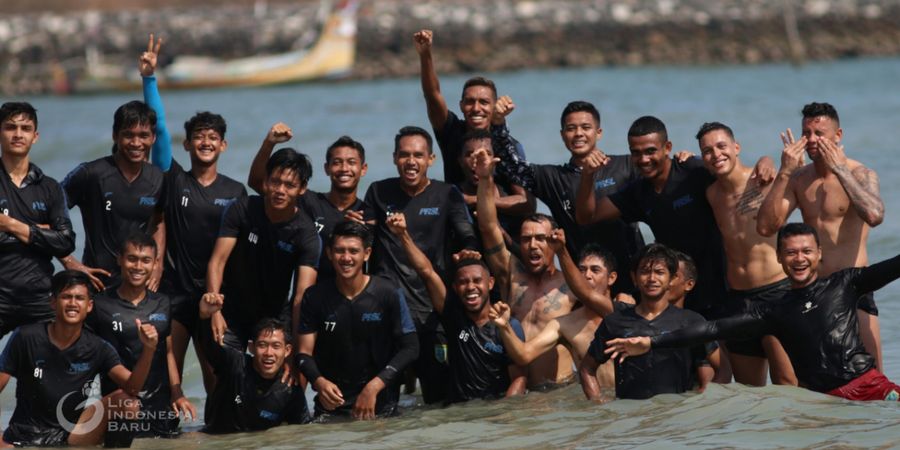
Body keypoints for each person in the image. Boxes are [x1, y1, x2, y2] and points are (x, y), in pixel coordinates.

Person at [606, 223, 900, 402]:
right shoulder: (772, 311)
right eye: (791, 252)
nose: (800, 259)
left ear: (819, 254)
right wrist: (652, 342)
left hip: (870, 386)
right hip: (823, 401)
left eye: (806, 251)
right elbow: (713, 329)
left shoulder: (845, 283)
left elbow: (894, 265)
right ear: (779, 258)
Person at [576, 115, 773, 319]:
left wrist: (765, 160)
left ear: (667, 147)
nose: (644, 159)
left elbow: (732, 170)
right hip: (679, 293)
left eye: (651, 151)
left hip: (722, 287)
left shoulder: (693, 170)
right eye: (636, 153)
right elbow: (586, 217)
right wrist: (587, 175)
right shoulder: (638, 192)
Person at [141, 35, 247, 393]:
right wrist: (150, 79)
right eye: (199, 137)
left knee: (219, 380)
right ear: (187, 144)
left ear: (223, 145)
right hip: (175, 294)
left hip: (217, 296)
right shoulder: (174, 180)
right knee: (165, 381)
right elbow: (156, 130)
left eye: (213, 137)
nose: (205, 142)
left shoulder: (236, 192)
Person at [757, 102, 884, 370]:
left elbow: (874, 215)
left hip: (854, 288)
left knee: (872, 378)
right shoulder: (800, 179)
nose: (812, 140)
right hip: (813, 291)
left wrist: (839, 169)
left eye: (819, 133)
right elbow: (766, 228)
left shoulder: (861, 173)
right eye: (807, 133)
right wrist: (785, 171)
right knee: (817, 380)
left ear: (838, 136)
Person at [362, 126, 477, 404]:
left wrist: (469, 252)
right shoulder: (378, 192)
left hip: (431, 310)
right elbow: (362, 241)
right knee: (383, 404)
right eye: (404, 155)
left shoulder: (447, 194)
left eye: (418, 155)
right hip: (386, 312)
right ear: (394, 158)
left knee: (439, 401)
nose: (411, 161)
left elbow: (467, 235)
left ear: (431, 159)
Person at [492, 101, 644, 294]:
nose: (578, 133)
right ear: (563, 135)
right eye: (571, 128)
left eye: (586, 127)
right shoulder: (552, 178)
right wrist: (498, 123)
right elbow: (512, 166)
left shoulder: (627, 166)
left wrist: (686, 161)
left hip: (633, 281)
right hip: (584, 286)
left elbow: (661, 172)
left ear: (599, 132)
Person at [0, 270, 159, 447]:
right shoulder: (25, 337)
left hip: (72, 435)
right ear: (53, 302)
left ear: (89, 306)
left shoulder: (98, 347)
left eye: (79, 298)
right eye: (66, 297)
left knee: (129, 403)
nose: (73, 303)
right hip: (24, 435)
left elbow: (133, 387)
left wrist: (149, 349)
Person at [387, 212, 527, 403]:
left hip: (496, 410)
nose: (470, 287)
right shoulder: (454, 316)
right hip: (459, 412)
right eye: (463, 282)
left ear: (490, 283)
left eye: (477, 281)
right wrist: (403, 235)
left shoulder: (507, 325)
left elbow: (519, 377)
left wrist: (506, 412)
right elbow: (427, 272)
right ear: (455, 287)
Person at [697, 122, 796, 386]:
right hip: (738, 300)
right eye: (707, 151)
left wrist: (770, 160)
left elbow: (791, 182)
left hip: (776, 291)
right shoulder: (711, 194)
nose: (716, 154)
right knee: (748, 390)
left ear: (736, 147)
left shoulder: (763, 180)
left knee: (788, 383)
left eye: (721, 146)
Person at [474, 148, 579, 389]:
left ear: (553, 240)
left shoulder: (571, 286)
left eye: (540, 239)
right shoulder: (512, 274)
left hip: (558, 391)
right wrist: (485, 179)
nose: (533, 245)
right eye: (526, 239)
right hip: (519, 389)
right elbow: (488, 226)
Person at [296, 221, 419, 419]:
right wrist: (319, 382)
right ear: (329, 253)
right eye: (339, 251)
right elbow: (303, 354)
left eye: (353, 251)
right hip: (332, 408)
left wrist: (374, 386)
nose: (346, 258)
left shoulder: (388, 292)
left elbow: (411, 347)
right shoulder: (314, 297)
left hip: (381, 406)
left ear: (367, 253)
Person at [204, 144, 320, 352]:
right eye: (275, 182)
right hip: (232, 309)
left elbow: (301, 296)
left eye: (289, 185)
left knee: (285, 378)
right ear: (266, 181)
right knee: (222, 357)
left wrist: (294, 348)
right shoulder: (242, 208)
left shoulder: (306, 234)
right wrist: (215, 312)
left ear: (302, 189)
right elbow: (217, 261)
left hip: (274, 315)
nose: (280, 190)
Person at [85, 234, 196, 442]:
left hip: (161, 410)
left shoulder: (163, 302)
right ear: (119, 259)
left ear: (155, 264)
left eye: (145, 260)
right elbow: (89, 356)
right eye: (132, 258)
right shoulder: (100, 305)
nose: (138, 266)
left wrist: (177, 393)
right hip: (124, 409)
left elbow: (169, 351)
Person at [579, 244, 718, 401]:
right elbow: (587, 369)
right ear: (634, 278)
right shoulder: (615, 322)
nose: (652, 279)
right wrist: (599, 405)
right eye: (645, 272)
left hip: (676, 415)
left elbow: (721, 367)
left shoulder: (691, 321)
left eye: (659, 272)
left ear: (671, 279)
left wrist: (705, 408)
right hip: (631, 417)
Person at [60, 99, 165, 292]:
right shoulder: (90, 173)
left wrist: (157, 264)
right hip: (97, 285)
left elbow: (158, 221)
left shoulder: (158, 178)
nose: (136, 143)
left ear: (153, 138)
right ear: (115, 136)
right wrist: (69, 261)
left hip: (138, 288)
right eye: (128, 135)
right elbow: (49, 209)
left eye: (143, 135)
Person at [489, 243, 620, 389]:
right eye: (581, 270)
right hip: (595, 406)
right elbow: (524, 355)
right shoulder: (564, 324)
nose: (587, 276)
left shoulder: (626, 313)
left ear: (612, 278)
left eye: (595, 270)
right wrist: (505, 326)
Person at [248, 127, 369, 281]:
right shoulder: (307, 202)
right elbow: (258, 183)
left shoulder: (367, 214)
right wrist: (269, 143)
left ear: (363, 169)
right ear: (326, 168)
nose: (344, 169)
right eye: (337, 162)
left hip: (351, 301)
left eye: (351, 162)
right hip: (308, 297)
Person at [412, 29, 527, 187]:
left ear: (495, 106)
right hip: (456, 211)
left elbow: (526, 202)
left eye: (484, 102)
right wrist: (425, 55)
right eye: (470, 101)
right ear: (461, 105)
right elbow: (432, 95)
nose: (476, 108)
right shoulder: (451, 131)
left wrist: (478, 201)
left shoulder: (508, 145)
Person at [0, 101, 75, 338]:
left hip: (40, 299)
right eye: (11, 127)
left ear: (36, 136)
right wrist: (42, 232)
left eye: (25, 128)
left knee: (53, 368)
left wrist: (11, 224)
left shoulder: (49, 187)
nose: (18, 134)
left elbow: (65, 242)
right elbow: (54, 238)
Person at [198, 308, 309, 432]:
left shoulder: (290, 389)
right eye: (262, 345)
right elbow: (210, 348)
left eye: (276, 346)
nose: (268, 353)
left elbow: (302, 431)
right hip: (217, 440)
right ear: (251, 347)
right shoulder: (235, 364)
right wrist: (205, 316)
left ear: (287, 350)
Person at [456, 129, 534, 242]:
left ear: (495, 159)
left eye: (487, 153)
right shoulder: (452, 194)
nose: (479, 159)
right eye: (470, 154)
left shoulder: (506, 189)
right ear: (460, 161)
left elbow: (527, 204)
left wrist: (476, 200)